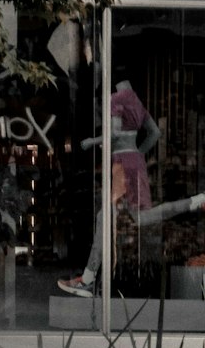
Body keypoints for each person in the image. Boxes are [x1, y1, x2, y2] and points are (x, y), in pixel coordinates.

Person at [58, 79, 205, 298]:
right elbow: (155, 133)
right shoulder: (135, 101)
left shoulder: (115, 99)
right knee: (119, 217)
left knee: (129, 217)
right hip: (133, 162)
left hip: (122, 166)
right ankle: (87, 280)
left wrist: (92, 141)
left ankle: (195, 201)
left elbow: (114, 134)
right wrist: (138, 155)